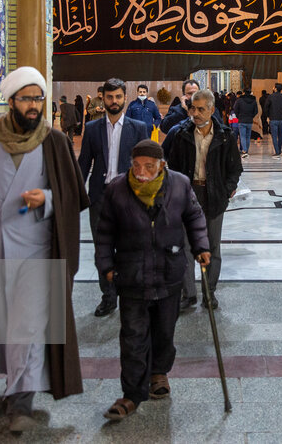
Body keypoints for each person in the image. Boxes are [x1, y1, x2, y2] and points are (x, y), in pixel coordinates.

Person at [0, 66, 89, 433]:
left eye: (38, 98)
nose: (34, 106)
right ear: (11, 102)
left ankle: (20, 402)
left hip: (36, 251)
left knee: (27, 326)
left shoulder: (53, 141)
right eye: (26, 99)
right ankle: (0, 382)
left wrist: (49, 199)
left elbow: (74, 194)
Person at [95, 140, 211, 420]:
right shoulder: (117, 189)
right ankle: (131, 393)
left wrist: (201, 247)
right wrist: (106, 266)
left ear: (162, 165)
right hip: (131, 274)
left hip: (169, 272)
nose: (142, 171)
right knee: (133, 336)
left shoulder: (180, 184)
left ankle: (159, 373)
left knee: (164, 331)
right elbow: (104, 232)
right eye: (136, 166)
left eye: (149, 166)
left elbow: (194, 217)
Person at [162, 89, 243, 311]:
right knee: (186, 246)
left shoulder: (225, 136)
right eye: (192, 108)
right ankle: (188, 294)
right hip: (188, 196)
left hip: (213, 196)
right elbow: (170, 163)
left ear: (211, 110)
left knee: (212, 247)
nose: (195, 113)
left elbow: (235, 169)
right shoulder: (180, 134)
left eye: (200, 109)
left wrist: (227, 191)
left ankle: (210, 292)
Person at [78, 78, 150, 317]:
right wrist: (76, 197)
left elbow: (145, 166)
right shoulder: (91, 129)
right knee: (103, 251)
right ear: (103, 98)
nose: (114, 101)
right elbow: (83, 165)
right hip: (100, 198)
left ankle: (130, 296)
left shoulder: (138, 127)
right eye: (110, 97)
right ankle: (108, 297)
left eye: (118, 97)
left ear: (124, 98)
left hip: (128, 199)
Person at [232, 88, 259, 157]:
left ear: (244, 92)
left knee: (242, 136)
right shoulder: (253, 100)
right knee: (248, 136)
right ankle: (246, 150)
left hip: (242, 120)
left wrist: (239, 116)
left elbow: (235, 109)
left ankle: (244, 150)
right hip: (249, 121)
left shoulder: (239, 100)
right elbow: (256, 111)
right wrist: (251, 116)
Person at [265, 83, 282, 158]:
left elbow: (266, 107)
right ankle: (279, 149)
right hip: (281, 118)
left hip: (273, 118)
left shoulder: (270, 97)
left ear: (275, 88)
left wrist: (268, 116)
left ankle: (277, 151)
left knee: (274, 136)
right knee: (280, 135)